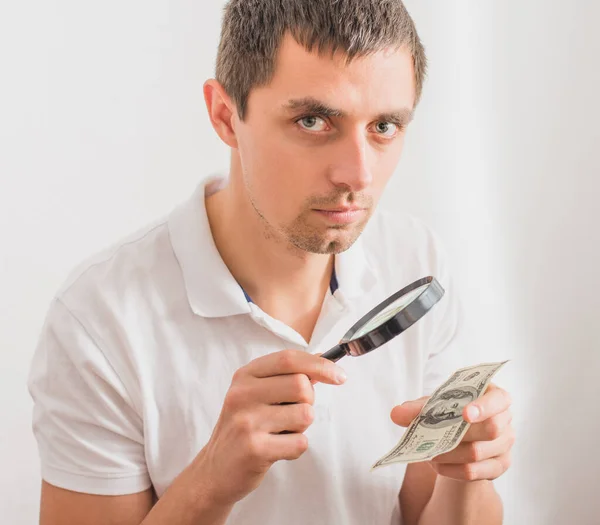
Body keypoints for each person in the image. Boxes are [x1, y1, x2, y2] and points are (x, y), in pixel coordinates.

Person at [28, 1, 515, 524]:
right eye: (313, 120)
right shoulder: (99, 321)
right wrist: (210, 483)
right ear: (225, 116)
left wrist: (467, 474)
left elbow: (428, 512)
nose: (358, 176)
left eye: (384, 126)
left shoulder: (415, 260)